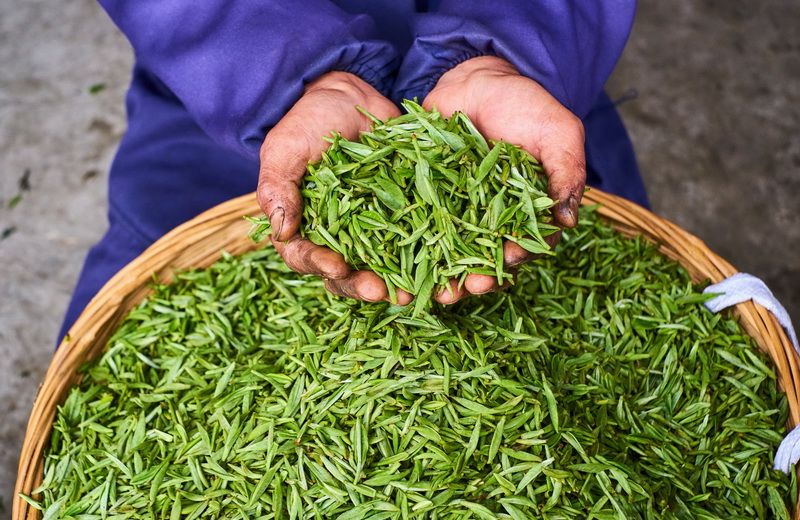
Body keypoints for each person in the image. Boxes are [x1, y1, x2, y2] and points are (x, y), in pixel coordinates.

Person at [59, 0, 648, 341]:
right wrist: (291, 76)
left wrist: (509, 50)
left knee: (613, 272)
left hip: (531, 77)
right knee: (119, 318)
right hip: (225, 81)